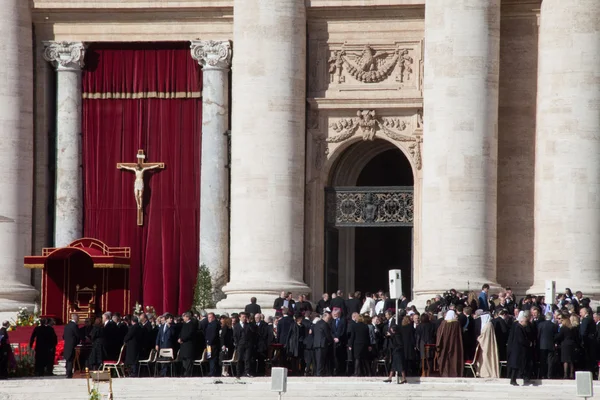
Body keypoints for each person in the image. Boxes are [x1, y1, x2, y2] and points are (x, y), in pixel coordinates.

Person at [436, 310, 464, 377]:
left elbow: (439, 333)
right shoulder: (457, 324)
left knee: (445, 358)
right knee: (454, 357)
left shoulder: (444, 323)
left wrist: (438, 344)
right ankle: (455, 373)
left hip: (445, 344)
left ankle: (445, 373)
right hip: (455, 344)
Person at [507, 314, 531, 386]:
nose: (526, 323)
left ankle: (513, 380)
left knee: (516, 365)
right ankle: (513, 380)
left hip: (517, 349)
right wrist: (528, 343)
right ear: (521, 321)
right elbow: (521, 339)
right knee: (515, 365)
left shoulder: (519, 327)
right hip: (517, 349)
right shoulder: (518, 328)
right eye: (525, 322)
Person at [233, 312, 256, 378]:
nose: (244, 318)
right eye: (243, 317)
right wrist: (237, 343)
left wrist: (249, 323)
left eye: (245, 317)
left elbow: (254, 331)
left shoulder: (248, 325)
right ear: (239, 317)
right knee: (239, 359)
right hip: (240, 344)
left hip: (248, 344)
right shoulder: (236, 326)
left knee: (247, 358)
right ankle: (238, 373)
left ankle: (247, 372)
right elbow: (235, 336)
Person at [555, 313, 577, 379]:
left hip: (565, 345)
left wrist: (554, 337)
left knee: (565, 360)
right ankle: (571, 374)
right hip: (572, 344)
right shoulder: (572, 328)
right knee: (571, 360)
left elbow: (559, 336)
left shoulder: (563, 328)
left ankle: (565, 374)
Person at [312, 312, 333, 377]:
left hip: (316, 343)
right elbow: (327, 335)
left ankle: (318, 372)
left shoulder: (317, 323)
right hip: (323, 344)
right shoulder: (325, 324)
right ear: (324, 317)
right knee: (321, 359)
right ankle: (320, 373)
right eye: (328, 318)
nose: (328, 319)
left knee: (318, 359)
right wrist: (331, 341)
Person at [178, 311, 197, 377]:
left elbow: (190, 334)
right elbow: (181, 333)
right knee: (184, 359)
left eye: (184, 317)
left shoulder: (192, 324)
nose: (183, 318)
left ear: (187, 317)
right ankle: (184, 372)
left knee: (188, 359)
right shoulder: (184, 324)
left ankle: (187, 373)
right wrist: (179, 338)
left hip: (188, 345)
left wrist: (183, 339)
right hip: (183, 345)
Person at [63, 314, 81, 378]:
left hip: (67, 344)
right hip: (72, 344)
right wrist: (77, 341)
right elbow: (77, 335)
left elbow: (63, 336)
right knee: (70, 359)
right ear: (76, 319)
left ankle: (67, 372)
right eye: (78, 319)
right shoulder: (74, 326)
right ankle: (69, 373)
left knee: (68, 359)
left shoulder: (67, 325)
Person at [204, 312, 220, 377]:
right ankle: (212, 371)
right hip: (209, 344)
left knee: (212, 358)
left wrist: (209, 342)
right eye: (208, 317)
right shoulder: (210, 324)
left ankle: (212, 372)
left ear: (213, 317)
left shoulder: (214, 324)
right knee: (210, 357)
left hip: (212, 345)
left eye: (210, 317)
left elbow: (213, 335)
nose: (209, 319)